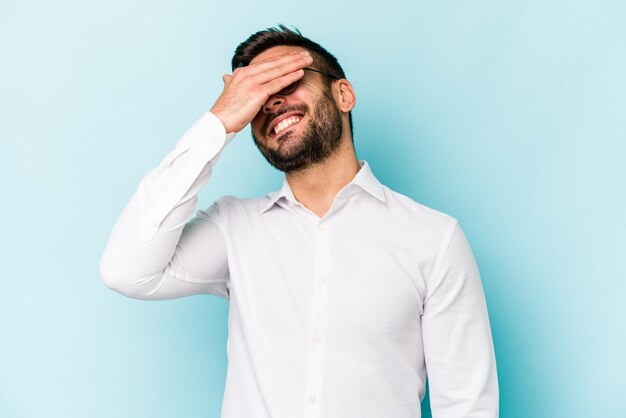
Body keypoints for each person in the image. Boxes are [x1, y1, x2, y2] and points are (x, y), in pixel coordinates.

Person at [100, 25, 499, 418]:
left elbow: (468, 407)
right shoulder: (233, 229)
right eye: (256, 96)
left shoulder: (434, 238)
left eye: (285, 81)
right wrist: (218, 123)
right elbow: (125, 270)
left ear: (343, 94)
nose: (271, 102)